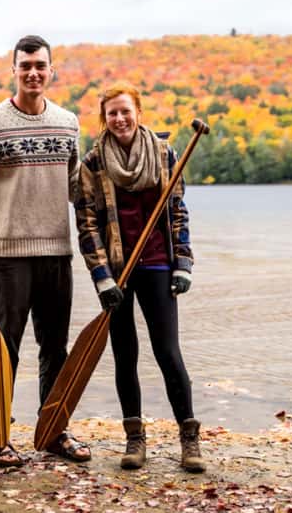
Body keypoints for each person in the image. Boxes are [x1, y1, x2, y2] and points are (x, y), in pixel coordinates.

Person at [0, 34, 91, 467]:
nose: (33, 73)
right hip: (8, 256)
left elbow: (77, 189)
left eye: (41, 66)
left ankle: (53, 430)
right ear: (13, 71)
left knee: (55, 347)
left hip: (57, 251)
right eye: (25, 66)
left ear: (52, 71)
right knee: (5, 348)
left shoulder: (68, 122)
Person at [73, 80, 205, 473]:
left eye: (125, 111)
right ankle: (135, 439)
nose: (119, 118)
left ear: (139, 113)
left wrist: (183, 264)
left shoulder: (166, 155)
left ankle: (190, 438)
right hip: (117, 274)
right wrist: (102, 278)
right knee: (125, 354)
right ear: (104, 118)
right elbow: (88, 225)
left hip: (159, 265)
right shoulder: (94, 164)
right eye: (112, 113)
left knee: (168, 352)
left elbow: (178, 212)